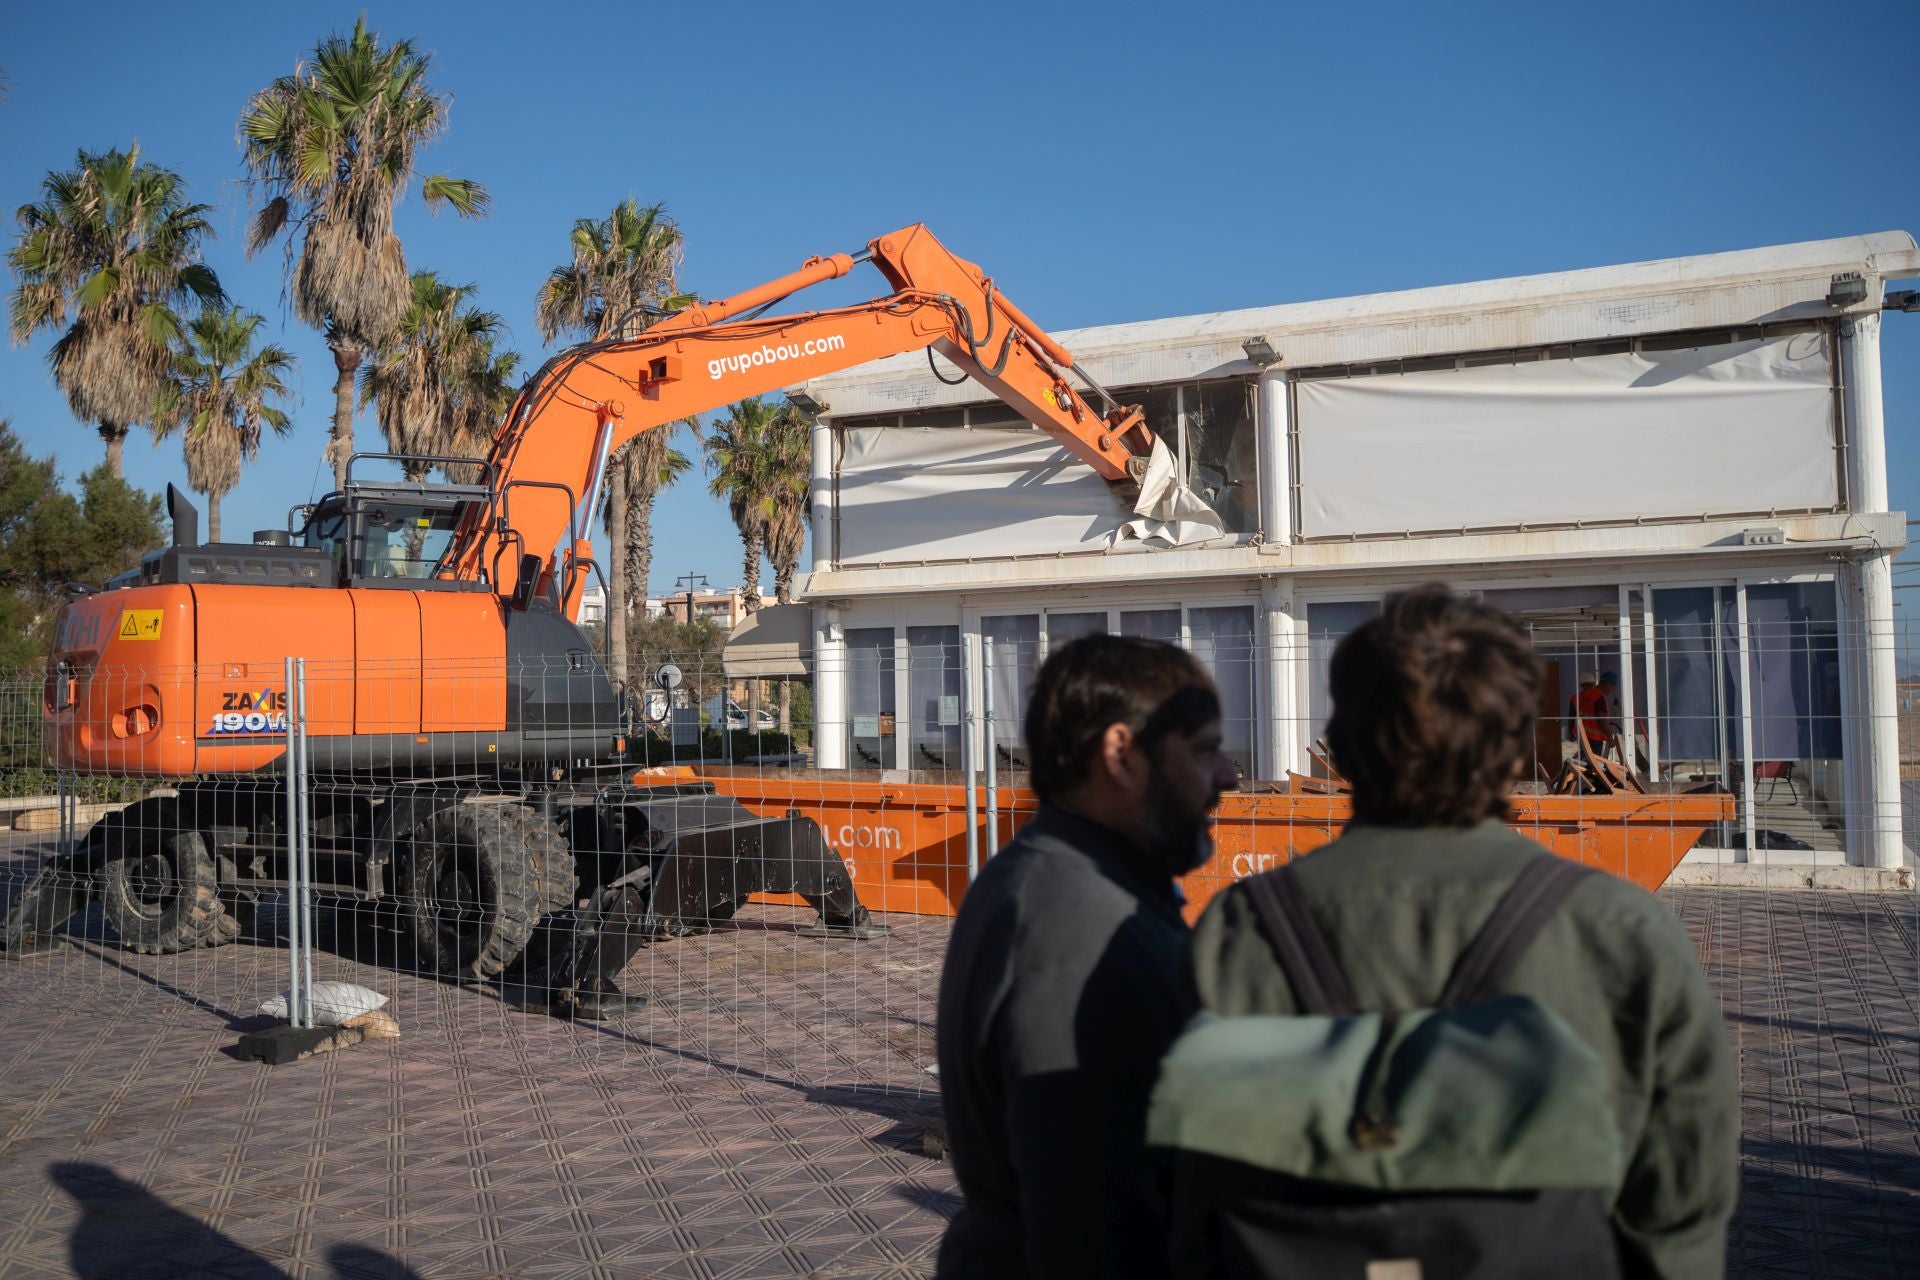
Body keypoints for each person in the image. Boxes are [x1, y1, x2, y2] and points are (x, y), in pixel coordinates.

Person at [1184, 585, 1738, 1278]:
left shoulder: (1240, 931)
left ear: (1345, 745)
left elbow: (1189, 1197)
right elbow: (1681, 1216)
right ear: (1515, 751)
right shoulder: (1623, 935)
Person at [935, 634, 1241, 1279]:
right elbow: (1093, 1231)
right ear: (1122, 756)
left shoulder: (1077, 883)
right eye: (1206, 749)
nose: (1229, 775)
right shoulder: (1078, 927)